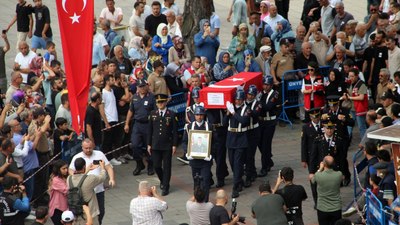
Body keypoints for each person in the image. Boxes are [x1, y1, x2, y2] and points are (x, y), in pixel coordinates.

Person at [69, 139, 116, 225]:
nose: (88, 150)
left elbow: (108, 167)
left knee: (101, 211)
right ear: (82, 147)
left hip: (98, 190)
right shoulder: (77, 157)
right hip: (83, 191)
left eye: (90, 148)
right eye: (86, 148)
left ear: (93, 146)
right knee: (87, 213)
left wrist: (111, 179)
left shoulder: (99, 154)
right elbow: (71, 170)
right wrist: (77, 179)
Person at [147, 94, 178, 196]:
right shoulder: (153, 114)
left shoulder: (171, 114)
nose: (160, 104)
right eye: (158, 102)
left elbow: (175, 131)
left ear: (165, 102)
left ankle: (166, 186)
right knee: (156, 165)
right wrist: (148, 144)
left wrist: (174, 145)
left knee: (167, 166)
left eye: (162, 102)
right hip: (155, 144)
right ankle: (162, 180)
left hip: (167, 144)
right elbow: (150, 130)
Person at [124, 79, 156, 176]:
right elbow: (131, 111)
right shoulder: (134, 97)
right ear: (137, 87)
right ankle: (139, 164)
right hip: (137, 124)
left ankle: (150, 165)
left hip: (148, 124)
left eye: (143, 86)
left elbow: (155, 111)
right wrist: (126, 123)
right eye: (140, 86)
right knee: (135, 145)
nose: (142, 88)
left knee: (149, 146)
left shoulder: (151, 97)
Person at [183, 105, 213, 201]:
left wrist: (211, 154)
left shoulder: (209, 126)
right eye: (197, 115)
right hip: (194, 160)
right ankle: (197, 201)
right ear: (194, 115)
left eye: (201, 115)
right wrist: (187, 152)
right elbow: (184, 142)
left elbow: (215, 142)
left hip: (205, 161)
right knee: (196, 182)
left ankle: (205, 202)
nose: (199, 117)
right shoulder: (189, 127)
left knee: (205, 182)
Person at [224, 89, 250, 198]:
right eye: (236, 99)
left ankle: (235, 188)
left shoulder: (246, 109)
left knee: (237, 163)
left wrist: (233, 113)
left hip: (240, 138)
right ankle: (239, 180)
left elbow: (243, 121)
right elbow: (224, 123)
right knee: (231, 162)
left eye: (239, 100)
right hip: (231, 137)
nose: (237, 101)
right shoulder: (232, 108)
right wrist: (227, 113)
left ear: (243, 100)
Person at [68, 157, 107, 225]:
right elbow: (102, 177)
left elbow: (79, 179)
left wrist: (87, 170)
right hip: (90, 213)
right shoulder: (90, 178)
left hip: (75, 212)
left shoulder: (69, 179)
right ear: (84, 166)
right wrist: (102, 167)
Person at [311, 156, 343, 225]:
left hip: (322, 208)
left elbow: (313, 180)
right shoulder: (339, 174)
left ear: (324, 164)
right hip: (336, 207)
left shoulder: (318, 175)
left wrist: (320, 168)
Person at [258, 76, 279, 177]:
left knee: (266, 145)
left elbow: (267, 107)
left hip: (270, 122)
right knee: (260, 143)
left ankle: (264, 167)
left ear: (271, 85)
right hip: (261, 122)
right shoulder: (261, 93)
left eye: (267, 85)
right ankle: (268, 160)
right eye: (264, 84)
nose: (265, 87)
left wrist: (258, 102)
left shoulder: (274, 94)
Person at [342, 68, 368, 139]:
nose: (351, 78)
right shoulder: (351, 84)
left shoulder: (361, 84)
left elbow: (361, 97)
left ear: (357, 76)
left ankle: (364, 144)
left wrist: (350, 98)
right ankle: (347, 141)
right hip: (352, 108)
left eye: (352, 76)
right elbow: (351, 94)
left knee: (361, 127)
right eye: (349, 76)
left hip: (360, 109)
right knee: (349, 125)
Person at [48, 160, 69, 225]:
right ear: (58, 169)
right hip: (57, 209)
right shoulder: (56, 180)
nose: (66, 170)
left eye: (66, 168)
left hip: (65, 207)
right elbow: (67, 190)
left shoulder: (65, 177)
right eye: (63, 168)